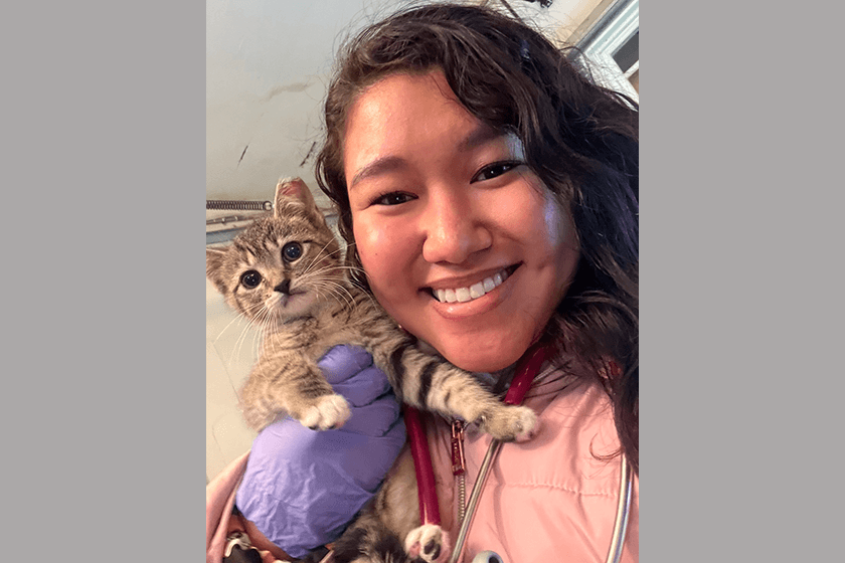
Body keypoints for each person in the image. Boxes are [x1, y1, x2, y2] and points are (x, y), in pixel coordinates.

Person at [314, 3, 639, 562]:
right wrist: (260, 538)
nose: (450, 241)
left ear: (576, 174)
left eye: (494, 169)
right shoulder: (344, 417)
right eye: (392, 197)